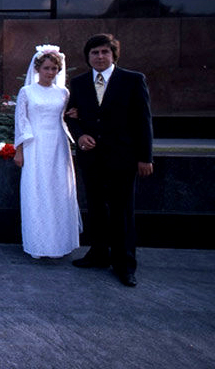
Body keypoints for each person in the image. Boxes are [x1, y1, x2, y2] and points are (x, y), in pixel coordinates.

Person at [66, 33, 153, 287]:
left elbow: (143, 121)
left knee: (122, 212)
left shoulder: (133, 80)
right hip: (92, 159)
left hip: (123, 159)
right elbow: (71, 116)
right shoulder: (79, 82)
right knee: (95, 208)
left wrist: (145, 157)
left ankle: (125, 264)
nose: (100, 57)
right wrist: (80, 136)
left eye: (105, 52)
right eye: (95, 53)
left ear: (114, 55)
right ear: (88, 57)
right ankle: (99, 254)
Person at [13, 45, 81, 259]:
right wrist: (19, 151)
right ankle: (38, 242)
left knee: (59, 191)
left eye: (54, 69)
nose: (50, 72)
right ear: (38, 68)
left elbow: (67, 117)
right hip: (35, 146)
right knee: (37, 191)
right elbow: (21, 122)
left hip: (59, 146)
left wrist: (75, 114)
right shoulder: (27, 92)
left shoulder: (63, 92)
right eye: (46, 68)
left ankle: (60, 243)